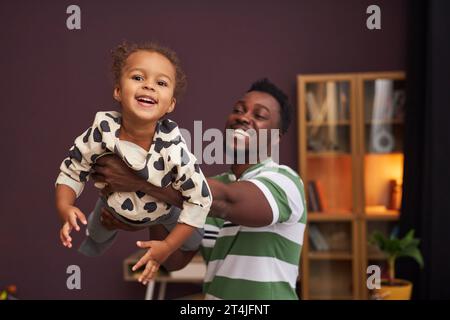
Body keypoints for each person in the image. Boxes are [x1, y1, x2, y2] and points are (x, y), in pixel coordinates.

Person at [94, 79, 307, 299]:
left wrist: (140, 180)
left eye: (260, 115)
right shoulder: (208, 187)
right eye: (238, 110)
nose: (243, 117)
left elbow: (226, 202)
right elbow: (176, 260)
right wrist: (145, 212)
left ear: (276, 137)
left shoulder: (285, 181)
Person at [54, 42, 212, 280]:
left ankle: (184, 243)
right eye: (138, 77)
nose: (148, 85)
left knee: (192, 239)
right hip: (111, 205)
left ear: (170, 104)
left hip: (163, 212)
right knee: (94, 236)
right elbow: (72, 169)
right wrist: (65, 206)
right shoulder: (101, 133)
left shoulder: (173, 148)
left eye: (161, 83)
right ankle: (94, 242)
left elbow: (200, 199)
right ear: (118, 90)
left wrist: (167, 246)